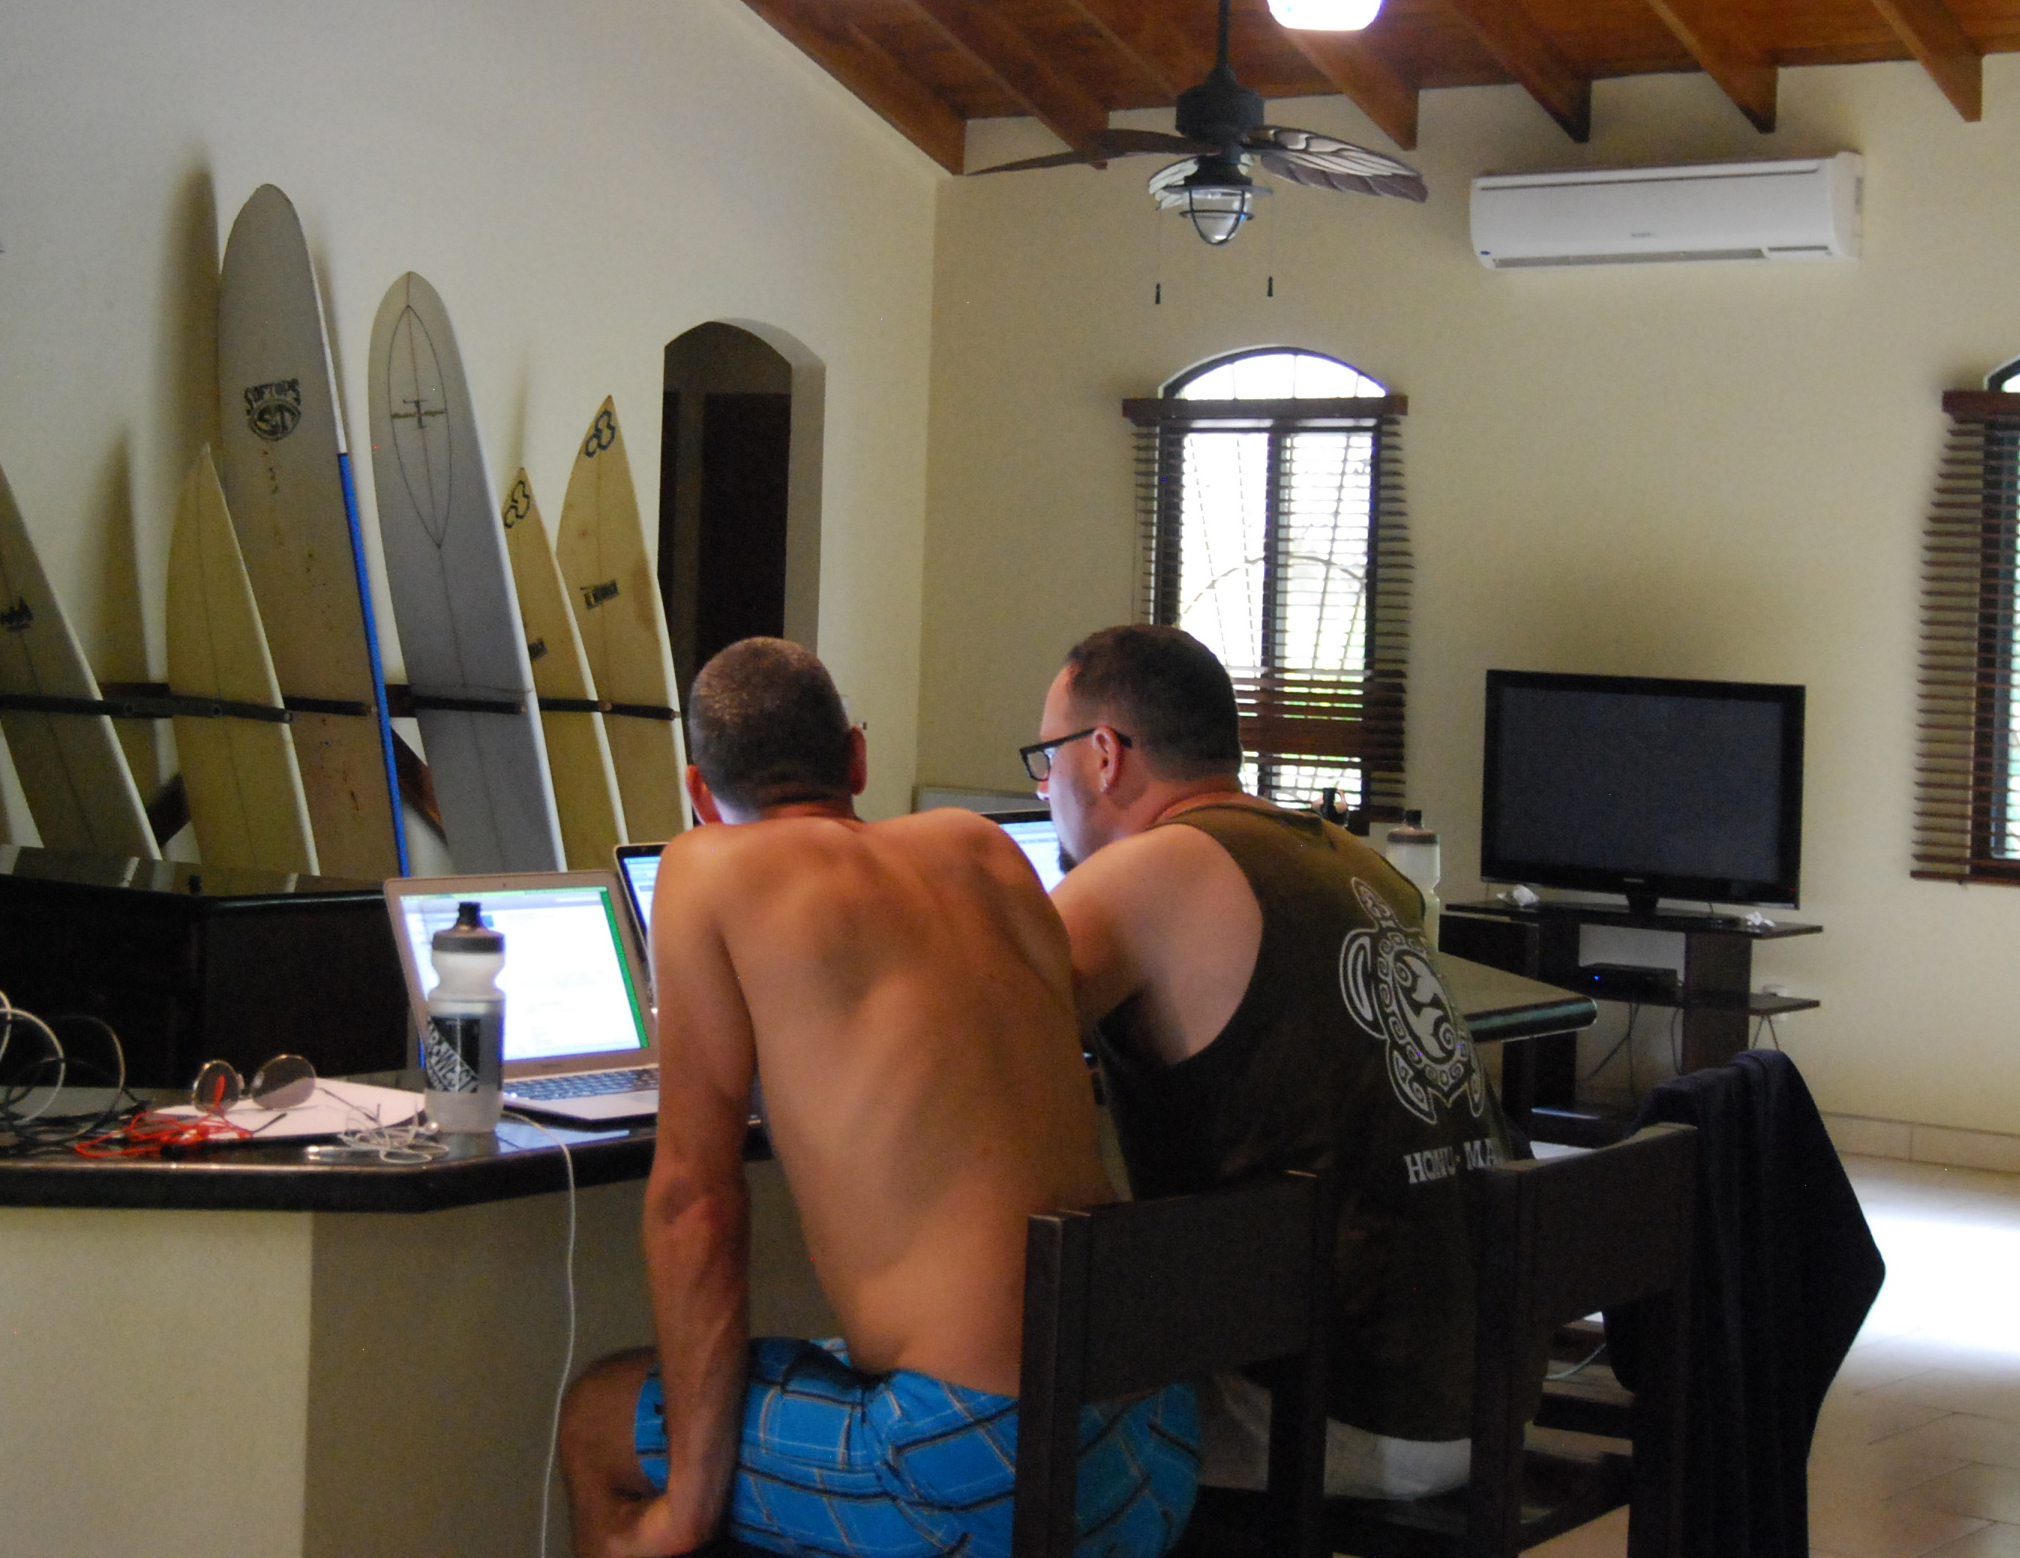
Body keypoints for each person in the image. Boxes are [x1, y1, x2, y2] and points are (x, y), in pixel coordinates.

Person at [555, 637, 1198, 1558]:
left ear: (700, 793)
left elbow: (694, 1202)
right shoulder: (981, 846)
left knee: (597, 1419)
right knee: (821, 1361)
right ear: (856, 757)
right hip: (1151, 1439)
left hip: (986, 1475)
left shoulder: (708, 868)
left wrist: (687, 1510)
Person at [1033, 625, 1510, 1502]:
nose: (1043, 784)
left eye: (1046, 756)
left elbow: (953, 1049)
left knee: (978, 1432)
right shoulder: (1357, 862)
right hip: (1482, 1393)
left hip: (1329, 1410)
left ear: (1103, 755)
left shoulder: (1150, 869)